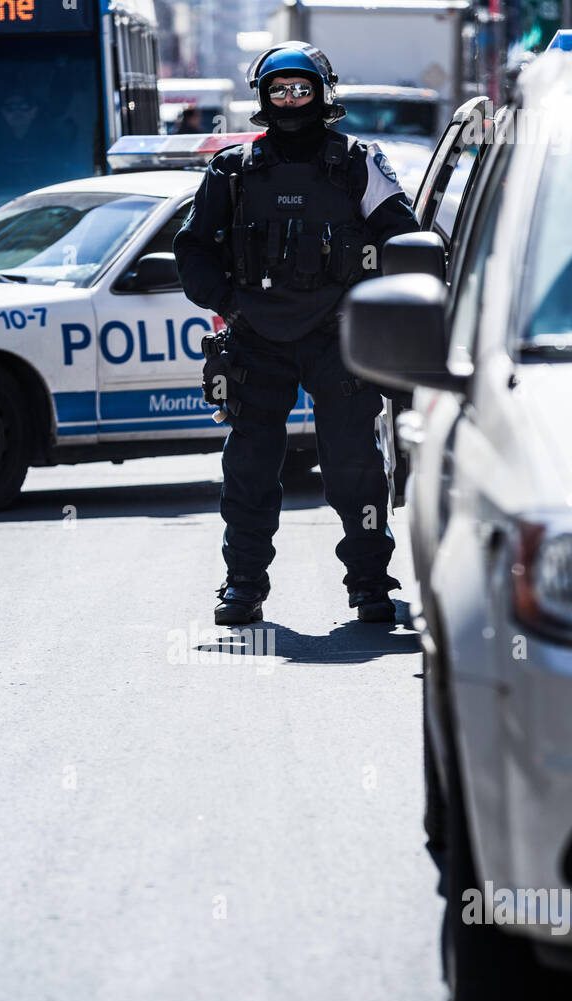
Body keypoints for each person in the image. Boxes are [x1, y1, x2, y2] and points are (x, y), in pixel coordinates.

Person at [173, 44, 420, 626]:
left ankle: (369, 584)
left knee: (355, 467)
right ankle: (242, 585)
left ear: (323, 94)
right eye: (279, 90)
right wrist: (230, 305)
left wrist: (382, 310)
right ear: (262, 97)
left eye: (301, 90)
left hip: (339, 338)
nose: (290, 101)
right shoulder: (233, 169)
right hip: (258, 340)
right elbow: (192, 250)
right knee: (250, 470)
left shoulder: (358, 161)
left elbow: (403, 240)